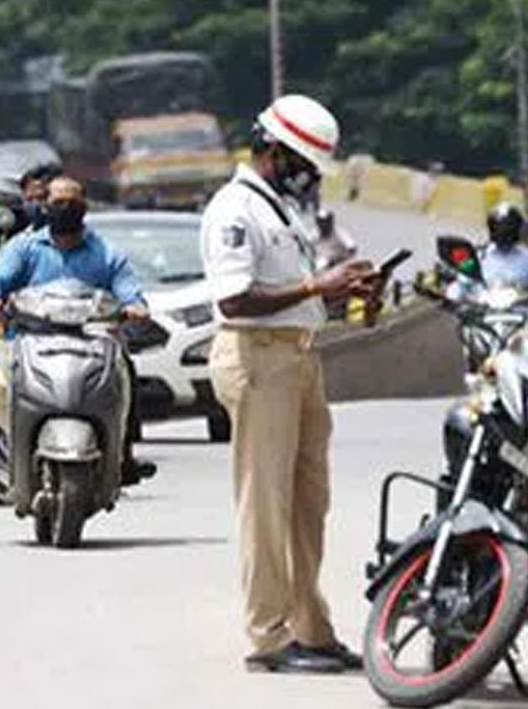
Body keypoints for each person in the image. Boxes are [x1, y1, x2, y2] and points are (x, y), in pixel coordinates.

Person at [200, 94, 380, 674]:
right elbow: (235, 297)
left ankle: (311, 626)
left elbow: (299, 289)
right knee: (266, 503)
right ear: (272, 150)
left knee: (309, 503)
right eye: (302, 163)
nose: (307, 175)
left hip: (298, 358)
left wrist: (344, 290)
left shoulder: (283, 208)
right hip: (258, 358)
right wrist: (313, 288)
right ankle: (268, 638)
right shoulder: (234, 209)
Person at [0, 177, 150, 471]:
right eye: (57, 202)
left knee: (125, 376)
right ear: (45, 207)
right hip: (27, 339)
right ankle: (11, 444)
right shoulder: (24, 248)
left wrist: (135, 306)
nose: (64, 208)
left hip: (92, 341)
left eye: (72, 203)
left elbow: (129, 290)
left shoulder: (107, 253)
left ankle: (121, 454)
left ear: (84, 208)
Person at [478, 202, 528, 294]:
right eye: (499, 230)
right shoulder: (481, 256)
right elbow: (464, 281)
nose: (503, 235)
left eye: (507, 231)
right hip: (481, 306)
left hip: (520, 306)